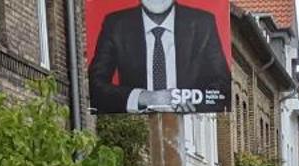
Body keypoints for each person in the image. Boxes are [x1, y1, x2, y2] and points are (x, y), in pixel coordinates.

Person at [87, 0, 231, 115]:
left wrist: (191, 100)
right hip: (137, 123)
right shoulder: (116, 25)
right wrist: (145, 98)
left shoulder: (202, 23)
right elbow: (95, 86)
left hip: (186, 123)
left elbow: (223, 85)